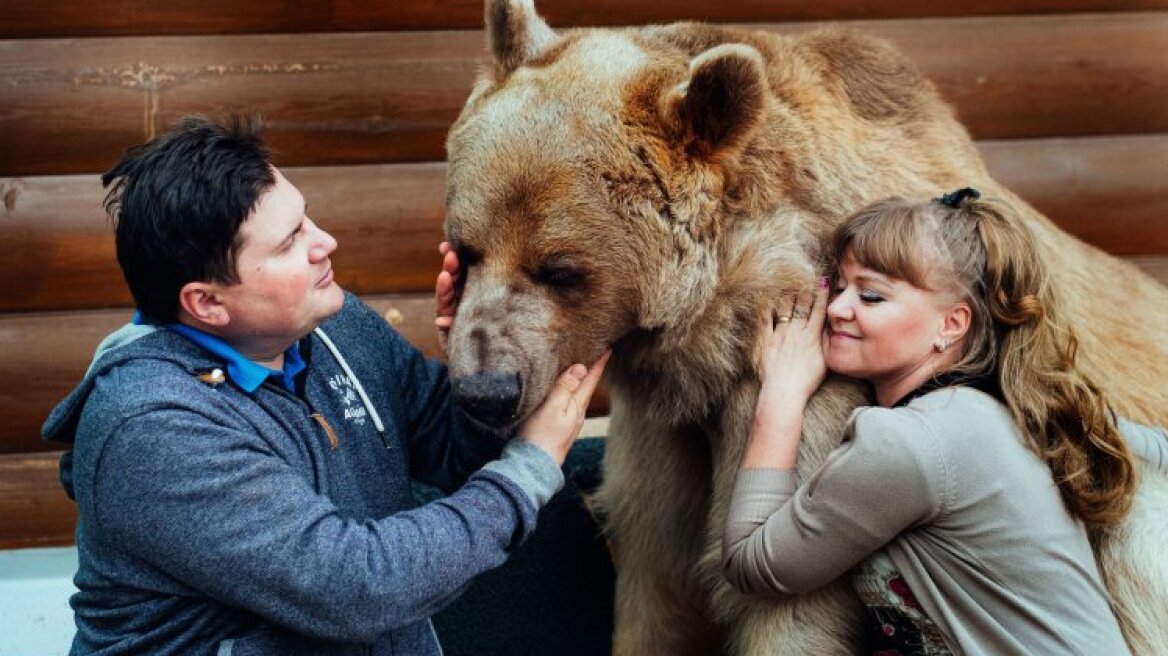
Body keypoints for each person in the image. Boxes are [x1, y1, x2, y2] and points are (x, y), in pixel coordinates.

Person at [41, 114, 609, 656]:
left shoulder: (336, 325)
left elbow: (456, 450)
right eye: (289, 243)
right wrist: (529, 470)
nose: (326, 242)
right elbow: (359, 587)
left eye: (306, 218)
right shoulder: (153, 429)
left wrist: (482, 366)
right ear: (207, 302)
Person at [722, 189, 1167, 655]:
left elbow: (754, 564)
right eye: (838, 287)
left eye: (871, 296)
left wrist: (781, 392)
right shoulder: (1015, 408)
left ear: (952, 325)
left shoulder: (912, 442)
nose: (836, 309)